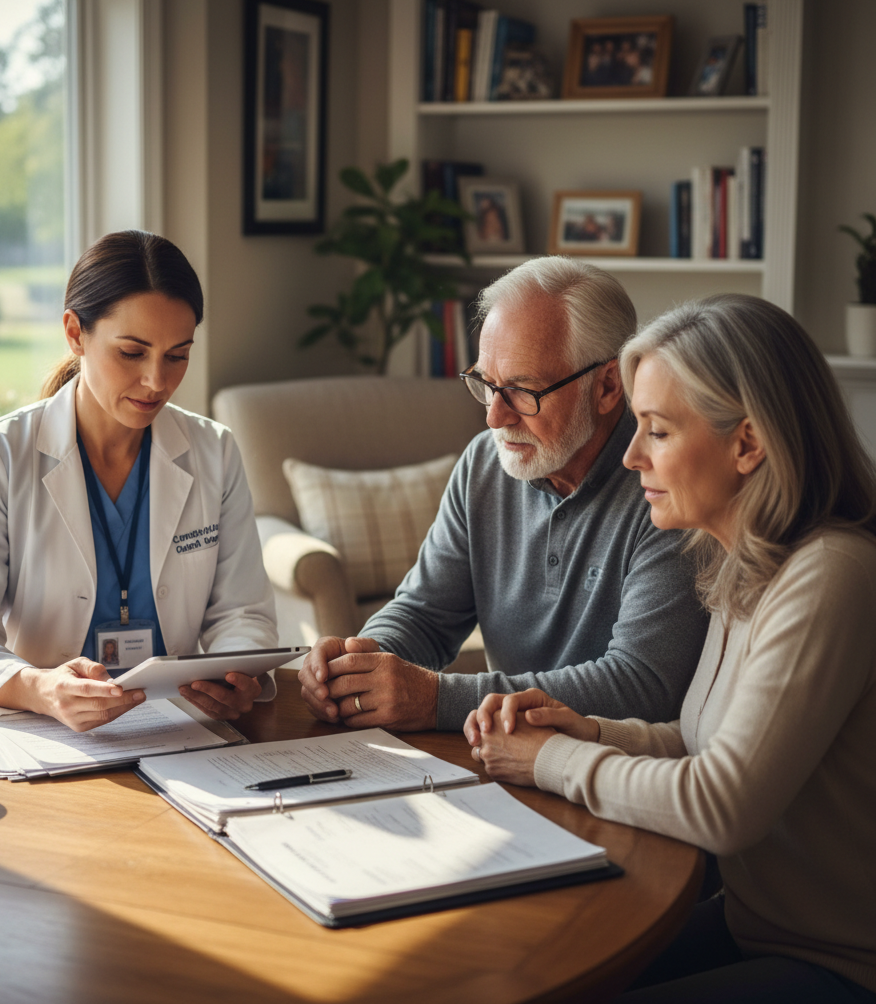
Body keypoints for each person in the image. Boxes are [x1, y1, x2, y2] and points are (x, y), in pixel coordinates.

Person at [466, 293, 876, 1002]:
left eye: (654, 431)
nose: (629, 456)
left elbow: (724, 804)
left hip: (843, 962)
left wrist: (554, 760)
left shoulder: (831, 574)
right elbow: (699, 745)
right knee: (517, 974)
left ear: (747, 444)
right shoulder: (745, 561)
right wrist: (587, 730)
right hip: (757, 927)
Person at [298, 257, 709, 732]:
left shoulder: (665, 484)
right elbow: (426, 614)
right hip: (510, 752)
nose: (494, 417)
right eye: (486, 384)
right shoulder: (484, 464)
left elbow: (641, 685)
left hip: (619, 776)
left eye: (521, 391)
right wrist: (357, 665)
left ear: (608, 385)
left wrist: (435, 700)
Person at [0, 230, 278, 731]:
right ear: (75, 333)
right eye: (132, 352)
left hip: (181, 728)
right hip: (48, 732)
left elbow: (244, 614)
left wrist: (237, 674)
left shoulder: (213, 451)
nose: (157, 381)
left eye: (177, 355)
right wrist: (40, 688)